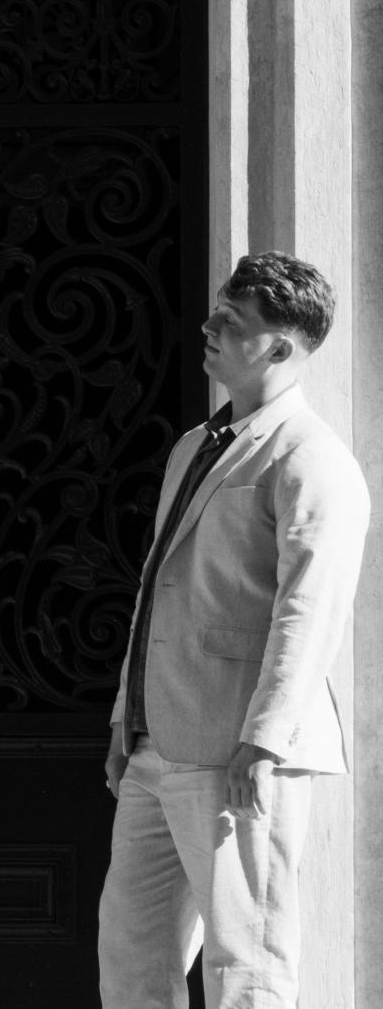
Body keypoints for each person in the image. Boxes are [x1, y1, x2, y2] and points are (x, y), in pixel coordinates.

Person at [97, 251, 370, 1008]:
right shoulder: (195, 444)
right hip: (157, 743)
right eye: (217, 308)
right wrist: (126, 719)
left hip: (241, 750)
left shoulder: (312, 457)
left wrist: (267, 739)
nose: (209, 326)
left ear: (279, 348)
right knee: (131, 955)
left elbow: (310, 610)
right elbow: (159, 587)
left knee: (246, 963)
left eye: (232, 319)